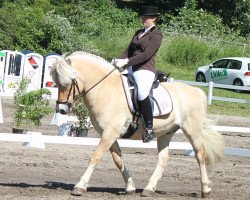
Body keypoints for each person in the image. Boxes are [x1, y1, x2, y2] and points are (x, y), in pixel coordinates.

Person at [113, 6, 163, 143]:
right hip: (131, 67)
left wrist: (127, 61)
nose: (143, 19)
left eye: (145, 17)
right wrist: (117, 59)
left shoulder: (156, 34)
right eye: (143, 17)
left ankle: (149, 128)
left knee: (142, 93)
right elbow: (128, 51)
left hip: (145, 69)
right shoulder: (139, 32)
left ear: (153, 18)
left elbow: (147, 54)